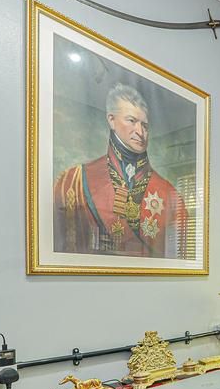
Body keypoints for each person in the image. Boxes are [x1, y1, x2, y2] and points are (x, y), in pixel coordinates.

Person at [53, 83, 188, 258]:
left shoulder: (170, 194)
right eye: (131, 121)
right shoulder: (73, 182)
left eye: (145, 126)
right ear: (111, 120)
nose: (140, 132)